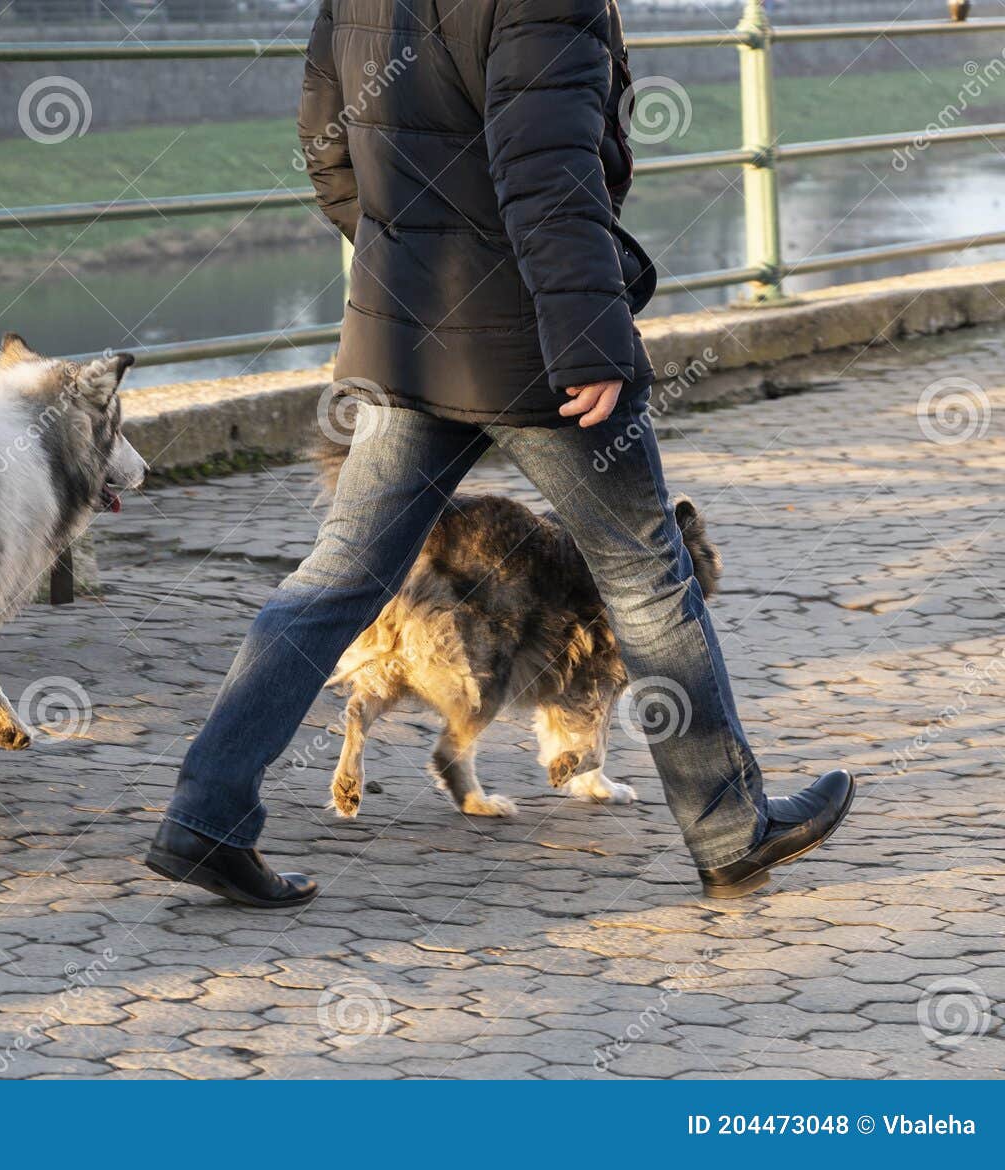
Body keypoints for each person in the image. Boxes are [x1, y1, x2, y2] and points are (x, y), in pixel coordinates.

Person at [146, 0, 853, 907]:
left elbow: (326, 144)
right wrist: (590, 335)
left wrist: (405, 267)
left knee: (335, 581)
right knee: (647, 576)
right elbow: (548, 171)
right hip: (536, 351)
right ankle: (729, 827)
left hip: (409, 340)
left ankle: (204, 814)